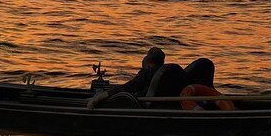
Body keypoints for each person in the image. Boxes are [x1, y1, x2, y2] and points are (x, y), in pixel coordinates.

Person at [86, 47, 217, 109]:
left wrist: (101, 96)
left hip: (148, 105)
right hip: (171, 105)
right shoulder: (172, 75)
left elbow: (130, 86)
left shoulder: (148, 73)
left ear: (148, 62)